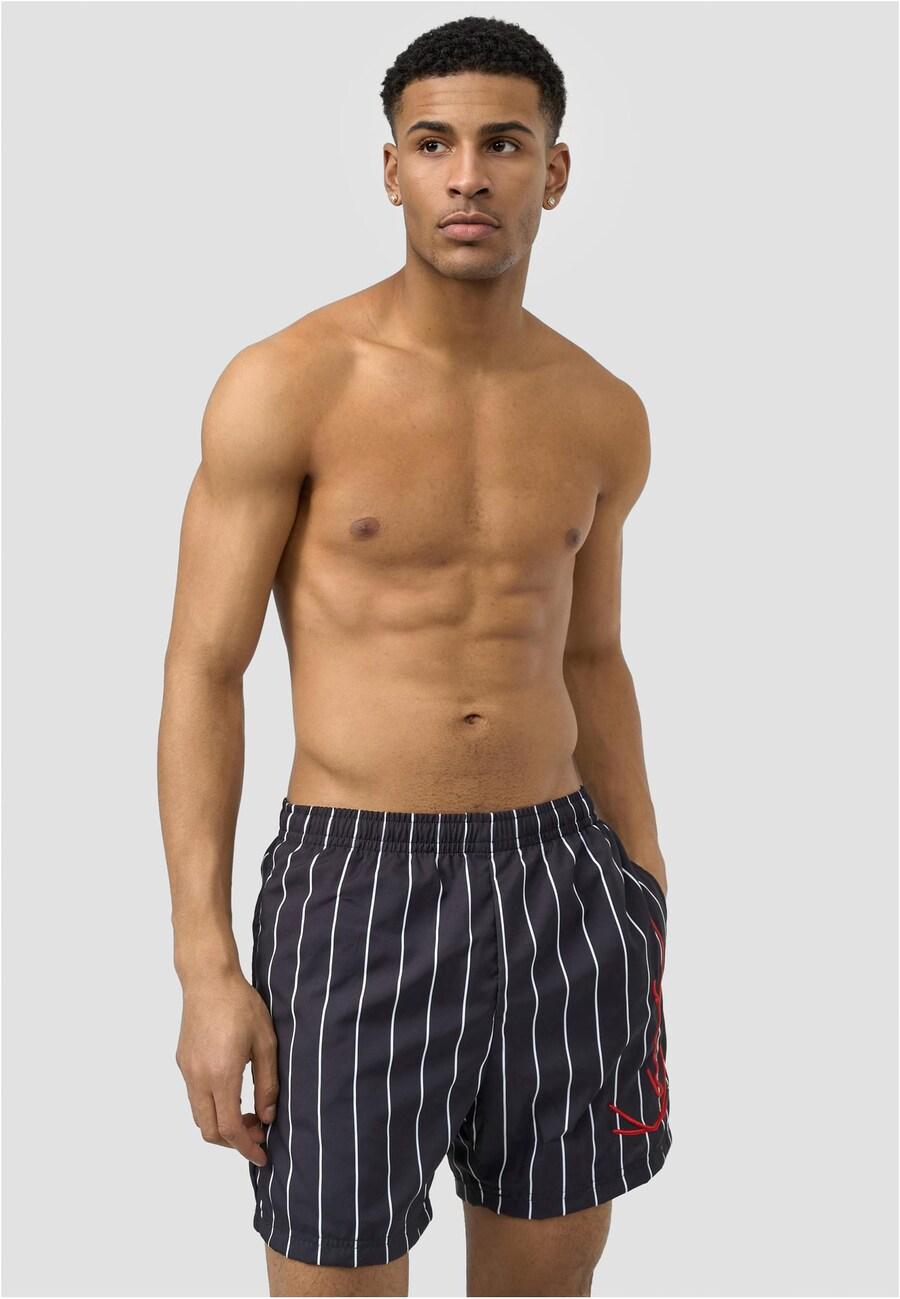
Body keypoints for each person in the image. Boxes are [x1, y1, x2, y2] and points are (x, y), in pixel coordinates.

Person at [158, 15, 671, 1298]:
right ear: (391, 170)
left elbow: (593, 657)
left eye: (505, 144)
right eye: (434, 144)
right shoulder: (288, 384)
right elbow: (203, 671)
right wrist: (206, 965)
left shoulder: (601, 410)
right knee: (333, 1272)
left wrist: (645, 878)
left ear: (554, 171)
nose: (468, 176)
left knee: (548, 1278)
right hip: (358, 885)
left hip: (562, 879)